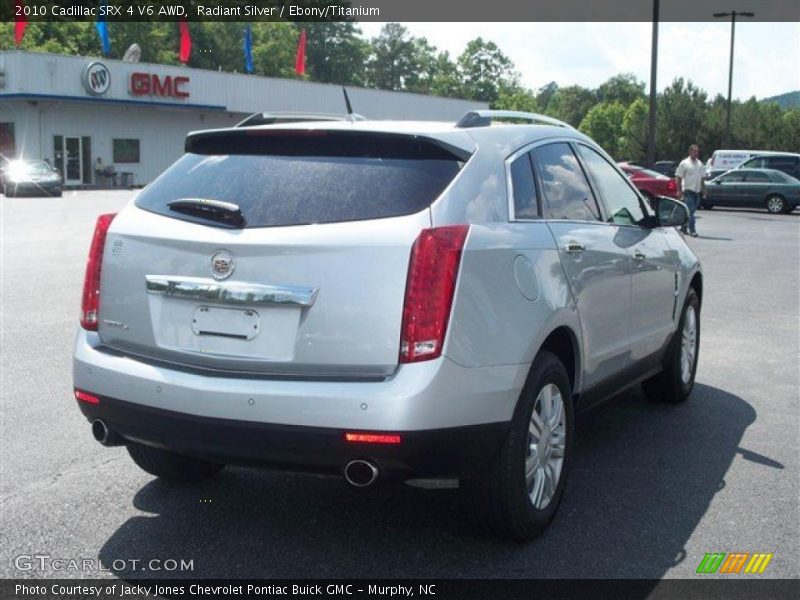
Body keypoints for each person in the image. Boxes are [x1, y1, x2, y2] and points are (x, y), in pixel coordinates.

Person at [675, 144, 706, 237]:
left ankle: (684, 226)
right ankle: (692, 230)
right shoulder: (684, 163)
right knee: (691, 211)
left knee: (690, 211)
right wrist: (679, 191)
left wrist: (704, 190)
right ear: (690, 152)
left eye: (697, 151)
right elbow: (678, 177)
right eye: (694, 151)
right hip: (688, 191)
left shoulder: (700, 164)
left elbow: (702, 178)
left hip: (697, 192)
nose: (696, 153)